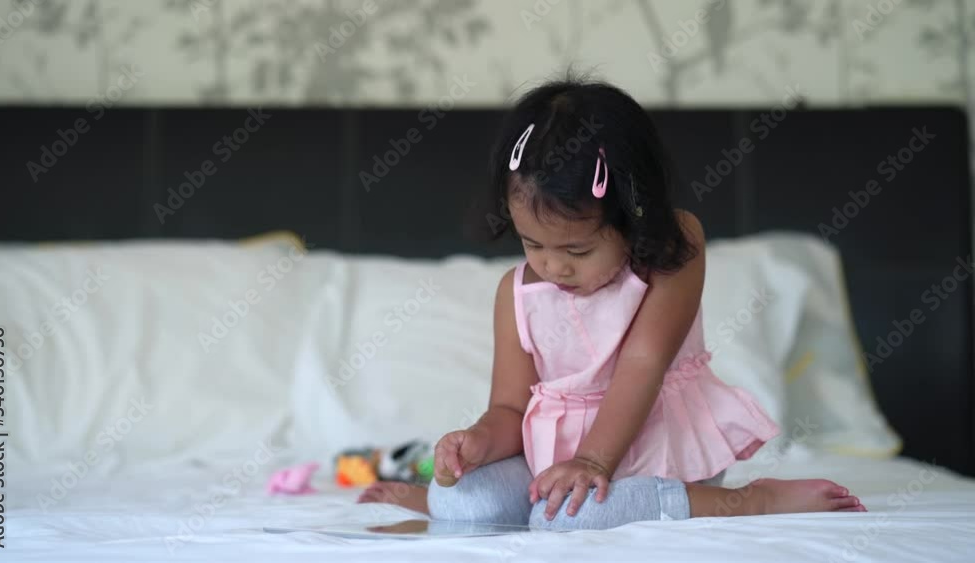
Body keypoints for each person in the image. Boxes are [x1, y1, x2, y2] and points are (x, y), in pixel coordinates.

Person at [358, 76, 866, 530]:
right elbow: (510, 408)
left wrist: (593, 462)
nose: (553, 267)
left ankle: (747, 501)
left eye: (577, 250)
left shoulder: (673, 249)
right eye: (532, 243)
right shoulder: (515, 293)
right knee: (462, 503)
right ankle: (441, 500)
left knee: (572, 518)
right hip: (555, 466)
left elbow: (643, 363)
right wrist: (477, 442)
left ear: (632, 216)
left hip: (657, 452)